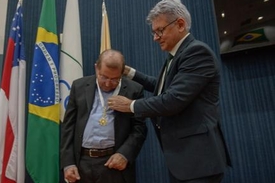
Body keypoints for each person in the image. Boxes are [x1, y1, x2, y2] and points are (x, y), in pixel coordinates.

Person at [108, 0, 231, 183]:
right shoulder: (177, 55)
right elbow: (162, 86)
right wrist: (130, 73)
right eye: (154, 32)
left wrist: (131, 106)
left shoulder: (196, 52)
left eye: (159, 30)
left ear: (180, 24)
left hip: (198, 160)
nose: (155, 38)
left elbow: (173, 99)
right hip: (186, 160)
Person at [60, 49, 147, 183]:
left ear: (122, 73)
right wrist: (68, 163)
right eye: (104, 77)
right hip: (81, 162)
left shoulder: (133, 90)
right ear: (96, 68)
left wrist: (124, 154)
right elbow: (68, 127)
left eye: (114, 79)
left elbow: (139, 129)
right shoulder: (79, 86)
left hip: (114, 162)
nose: (107, 83)